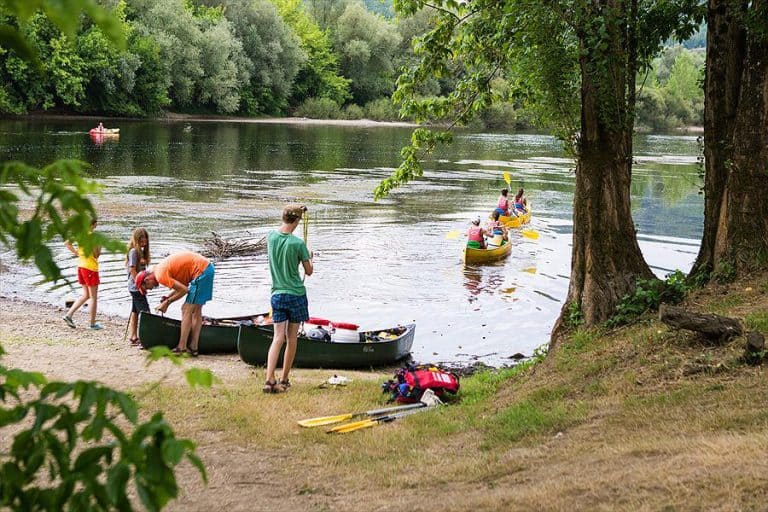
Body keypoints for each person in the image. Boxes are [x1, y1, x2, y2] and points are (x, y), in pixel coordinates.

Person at [263, 204, 314, 394]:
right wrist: (310, 257)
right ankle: (284, 379)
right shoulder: (298, 244)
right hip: (296, 295)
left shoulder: (271, 236)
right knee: (291, 338)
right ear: (297, 221)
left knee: (277, 338)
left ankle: (269, 379)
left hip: (277, 294)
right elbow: (308, 272)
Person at [134, 251, 214, 356]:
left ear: (147, 279)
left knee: (185, 309)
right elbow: (181, 286)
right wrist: (168, 297)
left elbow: (184, 290)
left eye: (148, 287)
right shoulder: (159, 270)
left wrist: (167, 302)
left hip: (201, 272)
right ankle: (193, 348)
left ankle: (182, 348)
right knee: (196, 311)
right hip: (206, 268)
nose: (151, 289)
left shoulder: (160, 275)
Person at [63, 217, 102, 330]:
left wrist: (76, 253)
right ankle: (92, 323)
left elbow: (67, 243)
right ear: (94, 224)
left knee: (86, 295)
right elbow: (96, 255)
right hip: (90, 268)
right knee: (94, 297)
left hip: (81, 266)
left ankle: (69, 315)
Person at [126, 228, 150, 345]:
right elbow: (132, 270)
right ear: (137, 239)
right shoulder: (134, 252)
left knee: (135, 311)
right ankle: (146, 339)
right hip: (135, 287)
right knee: (146, 313)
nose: (144, 242)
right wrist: (139, 284)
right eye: (141, 239)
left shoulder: (140, 251)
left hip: (136, 287)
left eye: (145, 239)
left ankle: (133, 336)